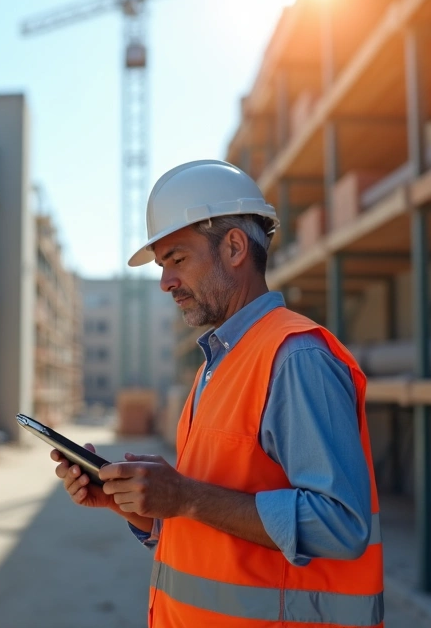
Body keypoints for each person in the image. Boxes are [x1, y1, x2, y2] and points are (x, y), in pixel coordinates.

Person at [51, 159, 383, 627]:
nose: (166, 282)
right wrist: (137, 505)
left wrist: (186, 495)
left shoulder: (295, 357)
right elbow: (214, 524)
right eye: (163, 266)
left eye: (177, 260)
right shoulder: (220, 362)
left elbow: (340, 525)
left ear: (233, 247)